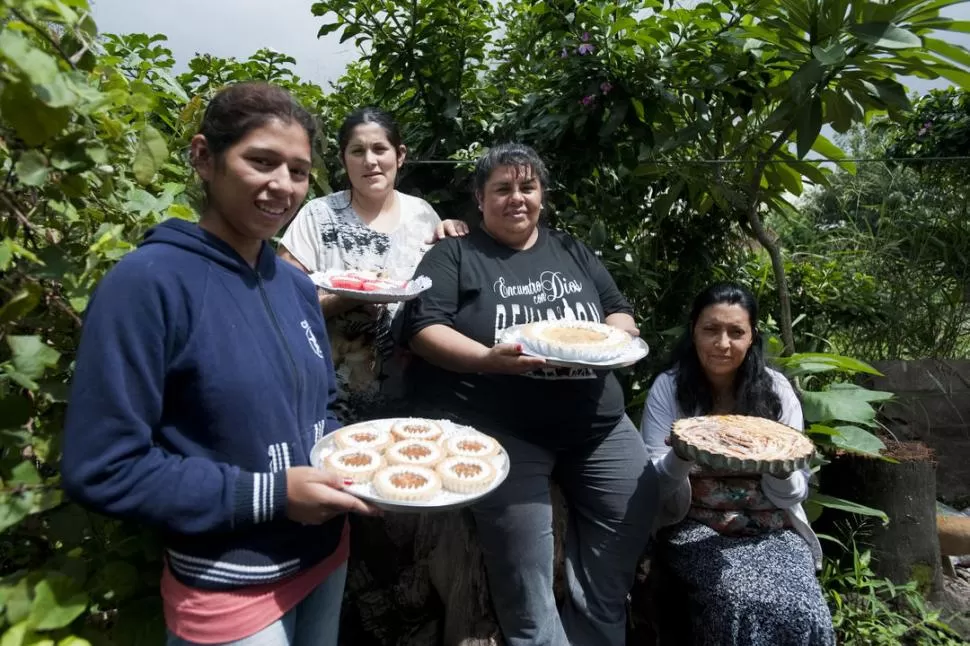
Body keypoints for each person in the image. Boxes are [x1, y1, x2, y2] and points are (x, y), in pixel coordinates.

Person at [60, 82, 380, 646]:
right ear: (205, 157)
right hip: (230, 585)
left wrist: (355, 464)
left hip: (325, 558)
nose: (282, 185)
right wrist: (274, 495)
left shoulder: (295, 286)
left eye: (300, 171)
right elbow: (102, 467)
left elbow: (321, 406)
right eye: (261, 161)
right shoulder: (148, 284)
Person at [397, 142, 657, 646]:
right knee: (524, 578)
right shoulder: (454, 253)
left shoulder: (570, 249)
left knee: (628, 530)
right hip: (505, 430)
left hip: (598, 427)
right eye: (502, 188)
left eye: (527, 187)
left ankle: (599, 634)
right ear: (479, 197)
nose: (516, 198)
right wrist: (486, 359)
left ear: (542, 195)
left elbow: (619, 311)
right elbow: (423, 328)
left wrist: (614, 341)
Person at [639, 282, 835, 645]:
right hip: (695, 525)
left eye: (736, 332)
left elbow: (794, 493)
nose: (722, 344)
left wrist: (776, 459)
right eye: (711, 329)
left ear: (752, 336)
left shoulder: (776, 391)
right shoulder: (669, 388)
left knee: (803, 607)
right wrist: (681, 453)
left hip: (772, 527)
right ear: (694, 330)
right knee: (736, 598)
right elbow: (655, 487)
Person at [278, 106, 468, 424]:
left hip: (413, 393)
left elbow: (443, 293)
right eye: (357, 151)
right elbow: (283, 302)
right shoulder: (319, 216)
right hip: (331, 397)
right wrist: (349, 297)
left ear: (400, 155)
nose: (370, 161)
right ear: (343, 160)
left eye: (380, 149)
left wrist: (457, 233)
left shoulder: (423, 214)